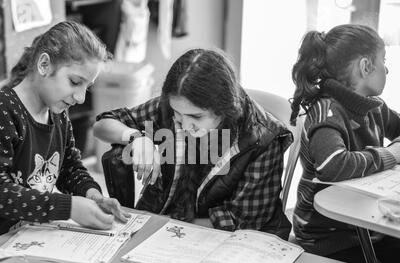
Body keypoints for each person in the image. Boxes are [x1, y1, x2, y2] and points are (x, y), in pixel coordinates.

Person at [0, 21, 130, 242]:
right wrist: (68, 207)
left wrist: (91, 194)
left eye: (87, 86)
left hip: (24, 238)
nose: (81, 97)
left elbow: (69, 167)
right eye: (75, 82)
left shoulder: (58, 114)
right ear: (44, 64)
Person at [94, 49, 293, 240]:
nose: (186, 125)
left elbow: (241, 222)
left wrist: (164, 225)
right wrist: (135, 137)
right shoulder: (172, 107)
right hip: (165, 223)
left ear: (223, 108)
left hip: (228, 238)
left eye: (196, 117)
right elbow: (102, 125)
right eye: (178, 116)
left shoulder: (263, 138)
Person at [290, 24, 400, 263]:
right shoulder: (326, 111)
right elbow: (333, 165)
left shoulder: (374, 106)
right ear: (365, 67)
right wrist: (392, 154)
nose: (387, 68)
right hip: (327, 237)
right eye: (383, 60)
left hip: (366, 221)